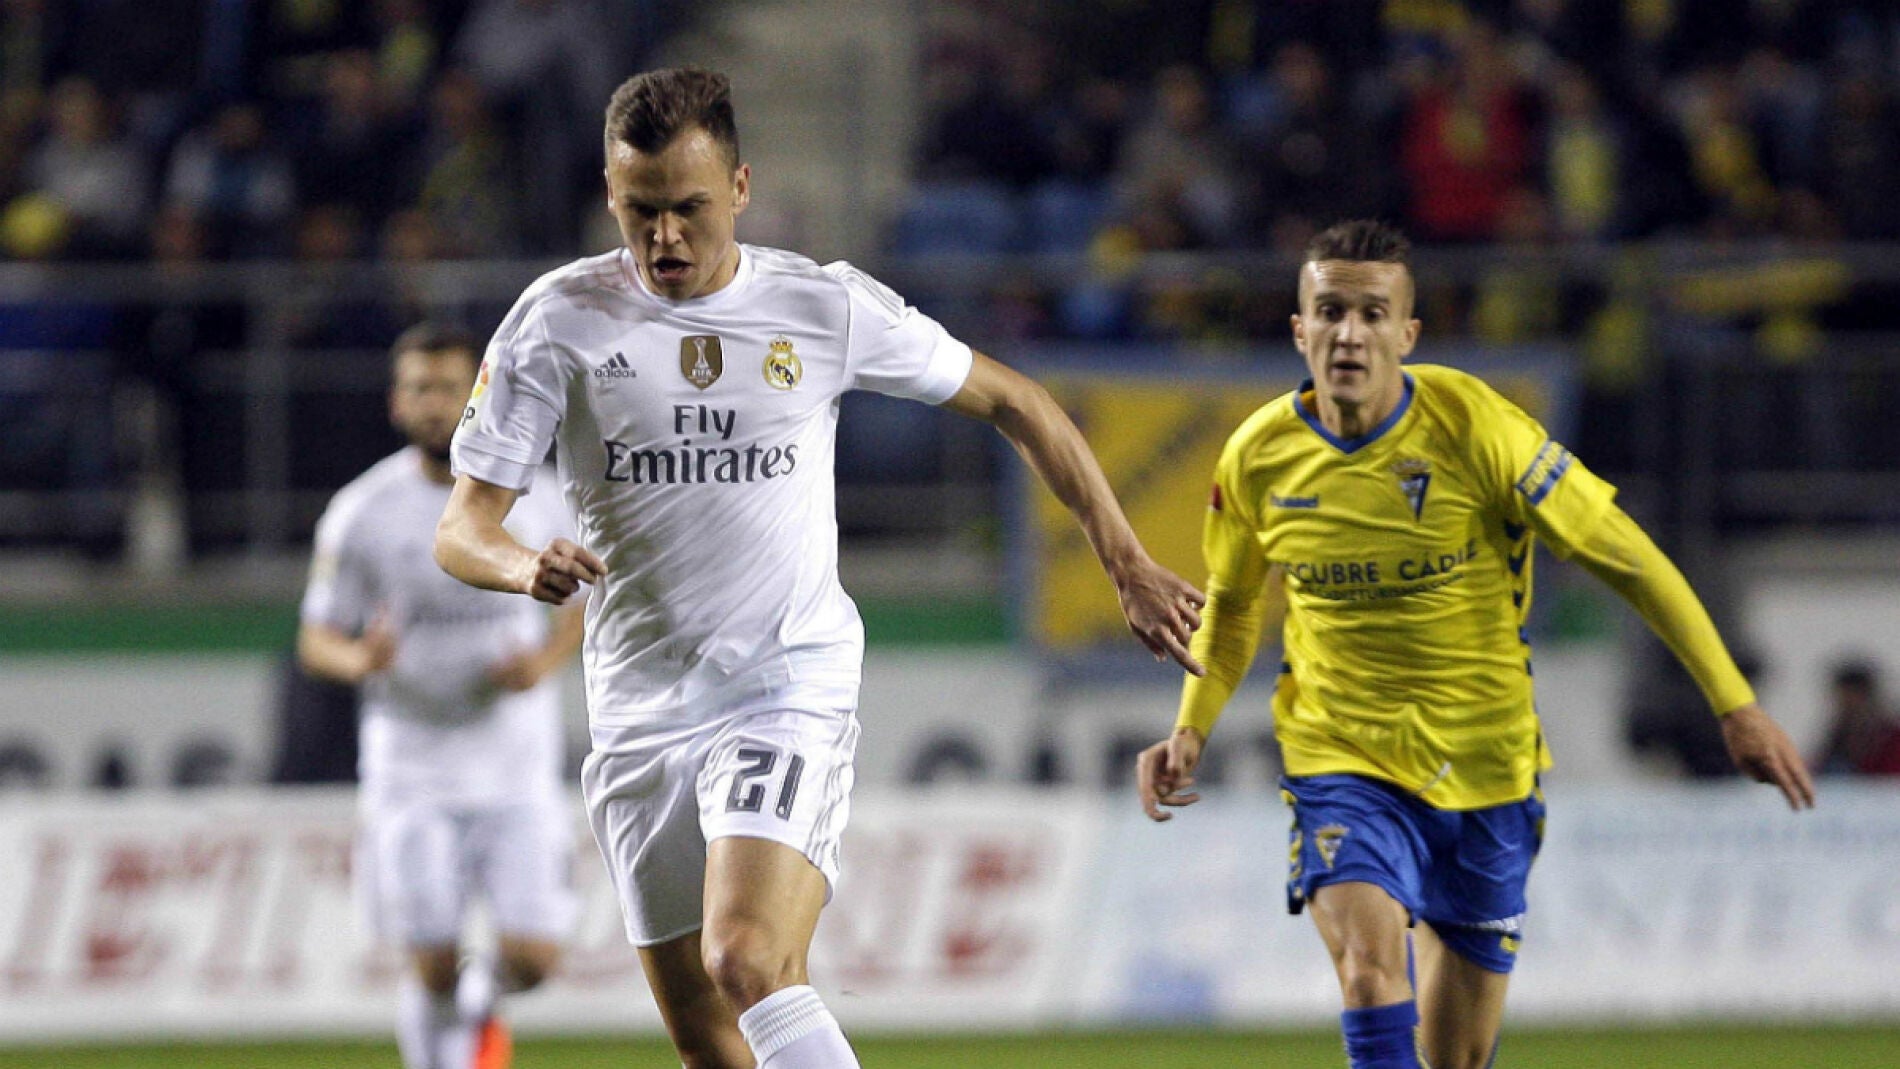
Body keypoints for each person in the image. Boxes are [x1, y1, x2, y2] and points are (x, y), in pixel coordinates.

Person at [434, 67, 1205, 1069]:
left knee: (746, 958)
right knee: (711, 1043)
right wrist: (520, 564)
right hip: (636, 710)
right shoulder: (558, 319)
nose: (664, 237)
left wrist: (1125, 559)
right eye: (639, 210)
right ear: (610, 193)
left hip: (781, 681)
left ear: (740, 188)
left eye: (689, 208)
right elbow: (463, 525)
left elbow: (1018, 401)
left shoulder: (820, 306)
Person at [1134, 220, 1815, 1069]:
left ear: (1408, 333)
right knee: (1369, 972)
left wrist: (1734, 702)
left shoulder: (1476, 427)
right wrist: (1191, 725)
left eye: (1373, 314)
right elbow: (1233, 610)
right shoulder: (1257, 457)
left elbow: (1629, 558)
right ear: (1300, 330)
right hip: (1341, 757)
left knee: (1455, 1056)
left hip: (1487, 767)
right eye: (1331, 311)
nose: (1350, 333)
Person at [300, 322, 585, 1069]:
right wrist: (361, 659)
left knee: (534, 957)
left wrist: (544, 663)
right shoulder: (363, 510)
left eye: (449, 388)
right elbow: (315, 638)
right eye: (419, 389)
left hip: (514, 758)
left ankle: (480, 1000)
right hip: (411, 763)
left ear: (478, 398)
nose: (434, 404)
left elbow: (590, 605)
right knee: (430, 961)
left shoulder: (541, 496)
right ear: (397, 403)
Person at [1812, 658, 1900, 776]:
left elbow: (1890, 779)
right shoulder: (1838, 736)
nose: (1848, 705)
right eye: (1843, 699)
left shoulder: (1890, 738)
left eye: (1853, 699)